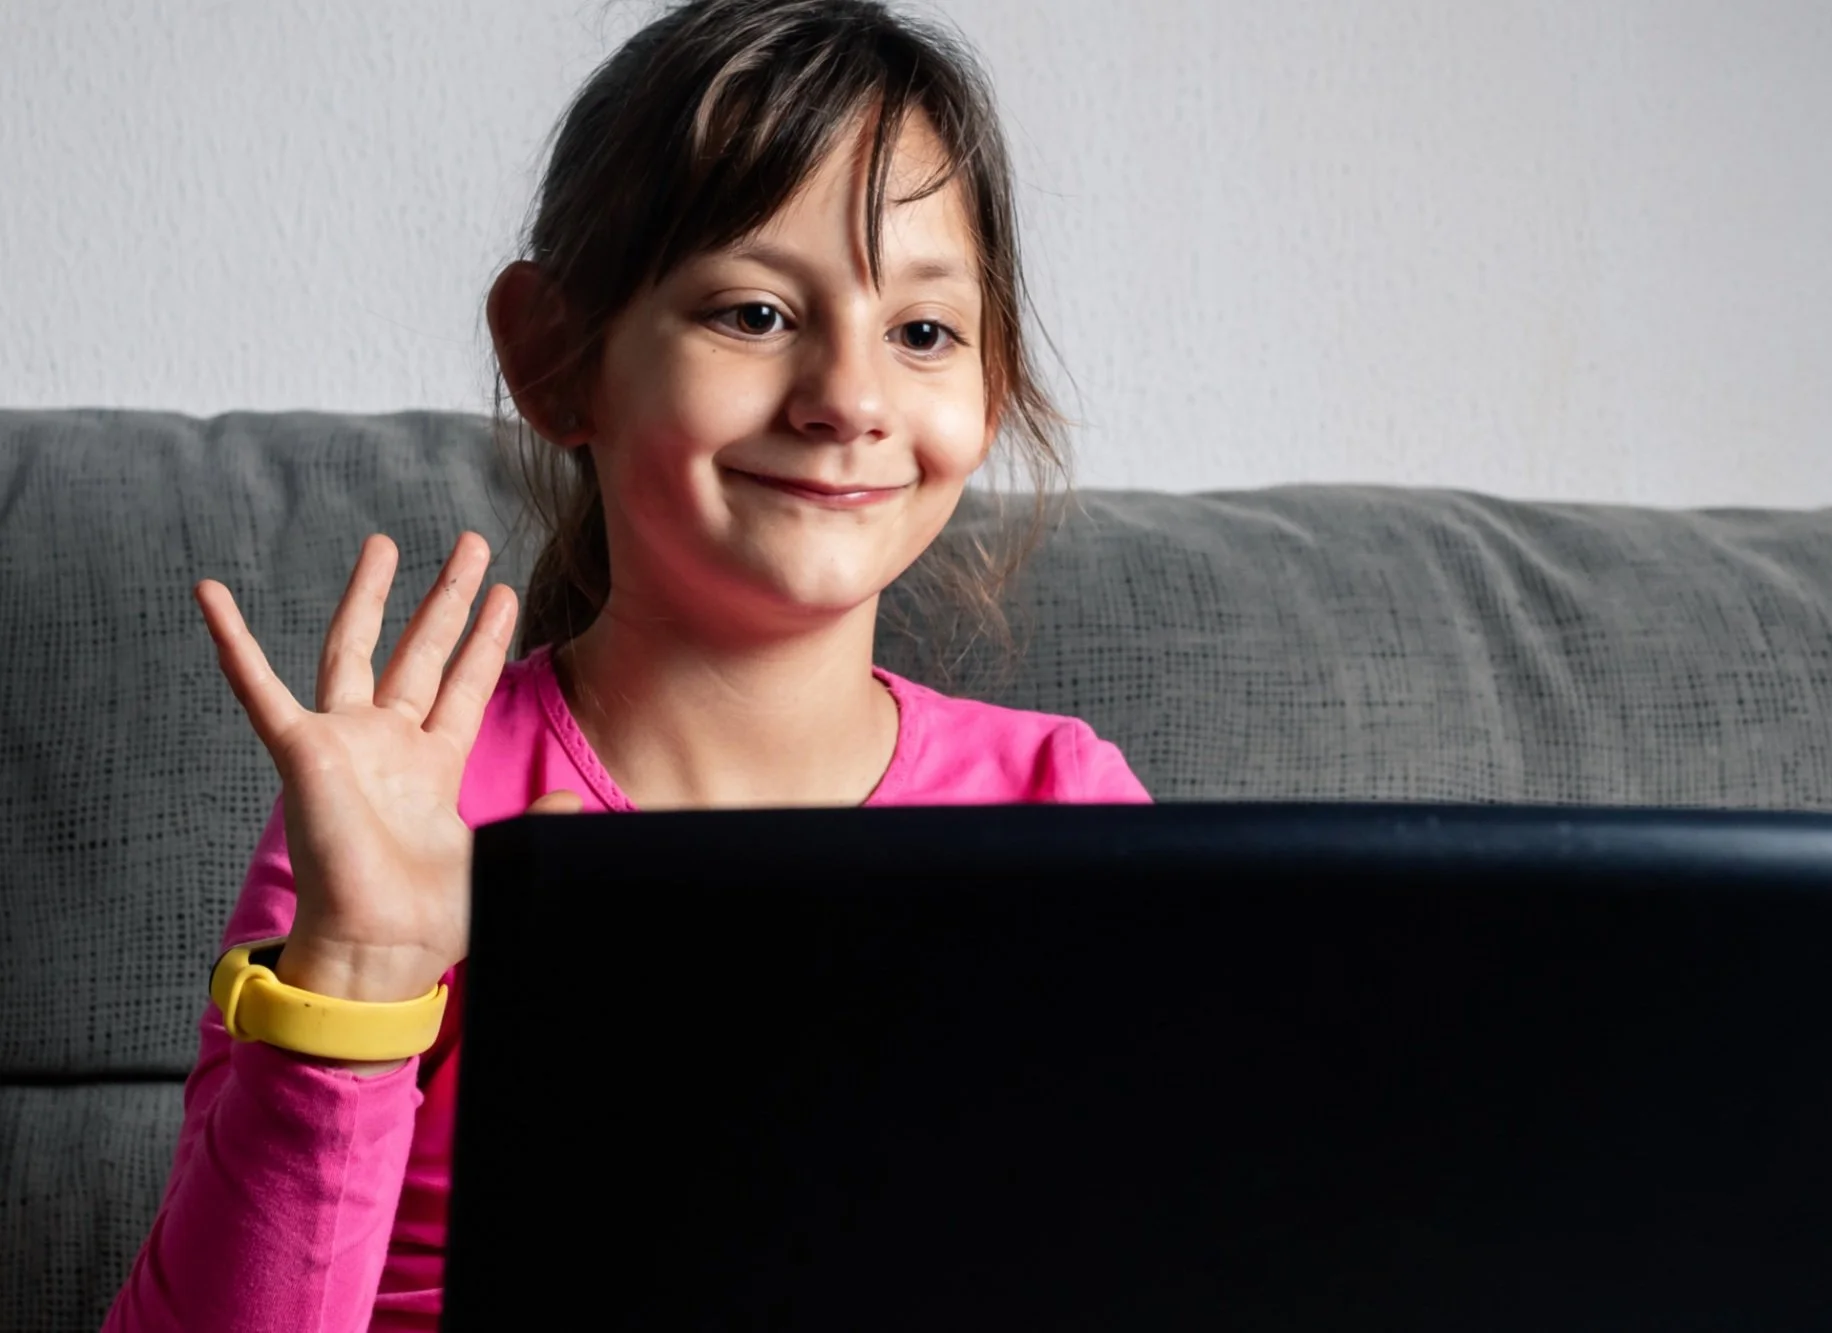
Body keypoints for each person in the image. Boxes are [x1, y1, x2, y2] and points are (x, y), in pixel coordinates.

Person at [102, 2, 1147, 1328]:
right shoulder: (412, 818)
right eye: (756, 312)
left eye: (924, 333)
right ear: (557, 357)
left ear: (989, 388)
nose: (850, 396)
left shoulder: (1064, 807)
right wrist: (361, 970)